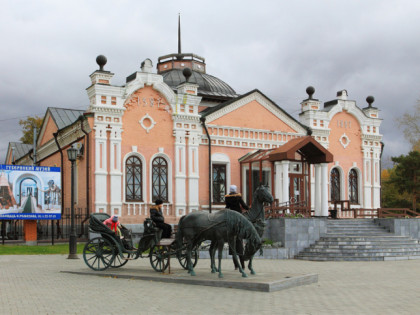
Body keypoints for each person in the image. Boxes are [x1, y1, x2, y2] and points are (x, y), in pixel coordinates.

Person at [225, 184, 249, 270]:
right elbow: (244, 205)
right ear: (235, 190)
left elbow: (227, 207)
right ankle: (242, 265)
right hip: (238, 217)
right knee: (239, 243)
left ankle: (236, 266)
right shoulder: (238, 197)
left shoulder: (227, 197)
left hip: (231, 217)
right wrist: (248, 208)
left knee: (232, 245)